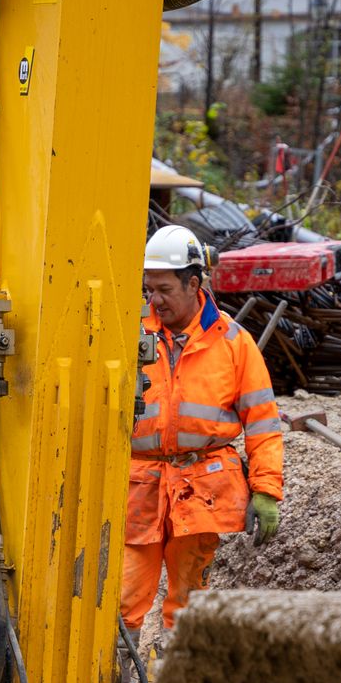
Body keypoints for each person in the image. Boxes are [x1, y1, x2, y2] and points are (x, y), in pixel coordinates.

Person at [121, 226, 284, 637]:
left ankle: (175, 674)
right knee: (121, 604)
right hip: (138, 488)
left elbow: (263, 422)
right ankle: (117, 677)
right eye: (148, 289)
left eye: (164, 290)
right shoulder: (128, 333)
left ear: (194, 284)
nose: (154, 300)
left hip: (201, 490)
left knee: (189, 604)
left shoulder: (233, 342)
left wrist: (266, 490)